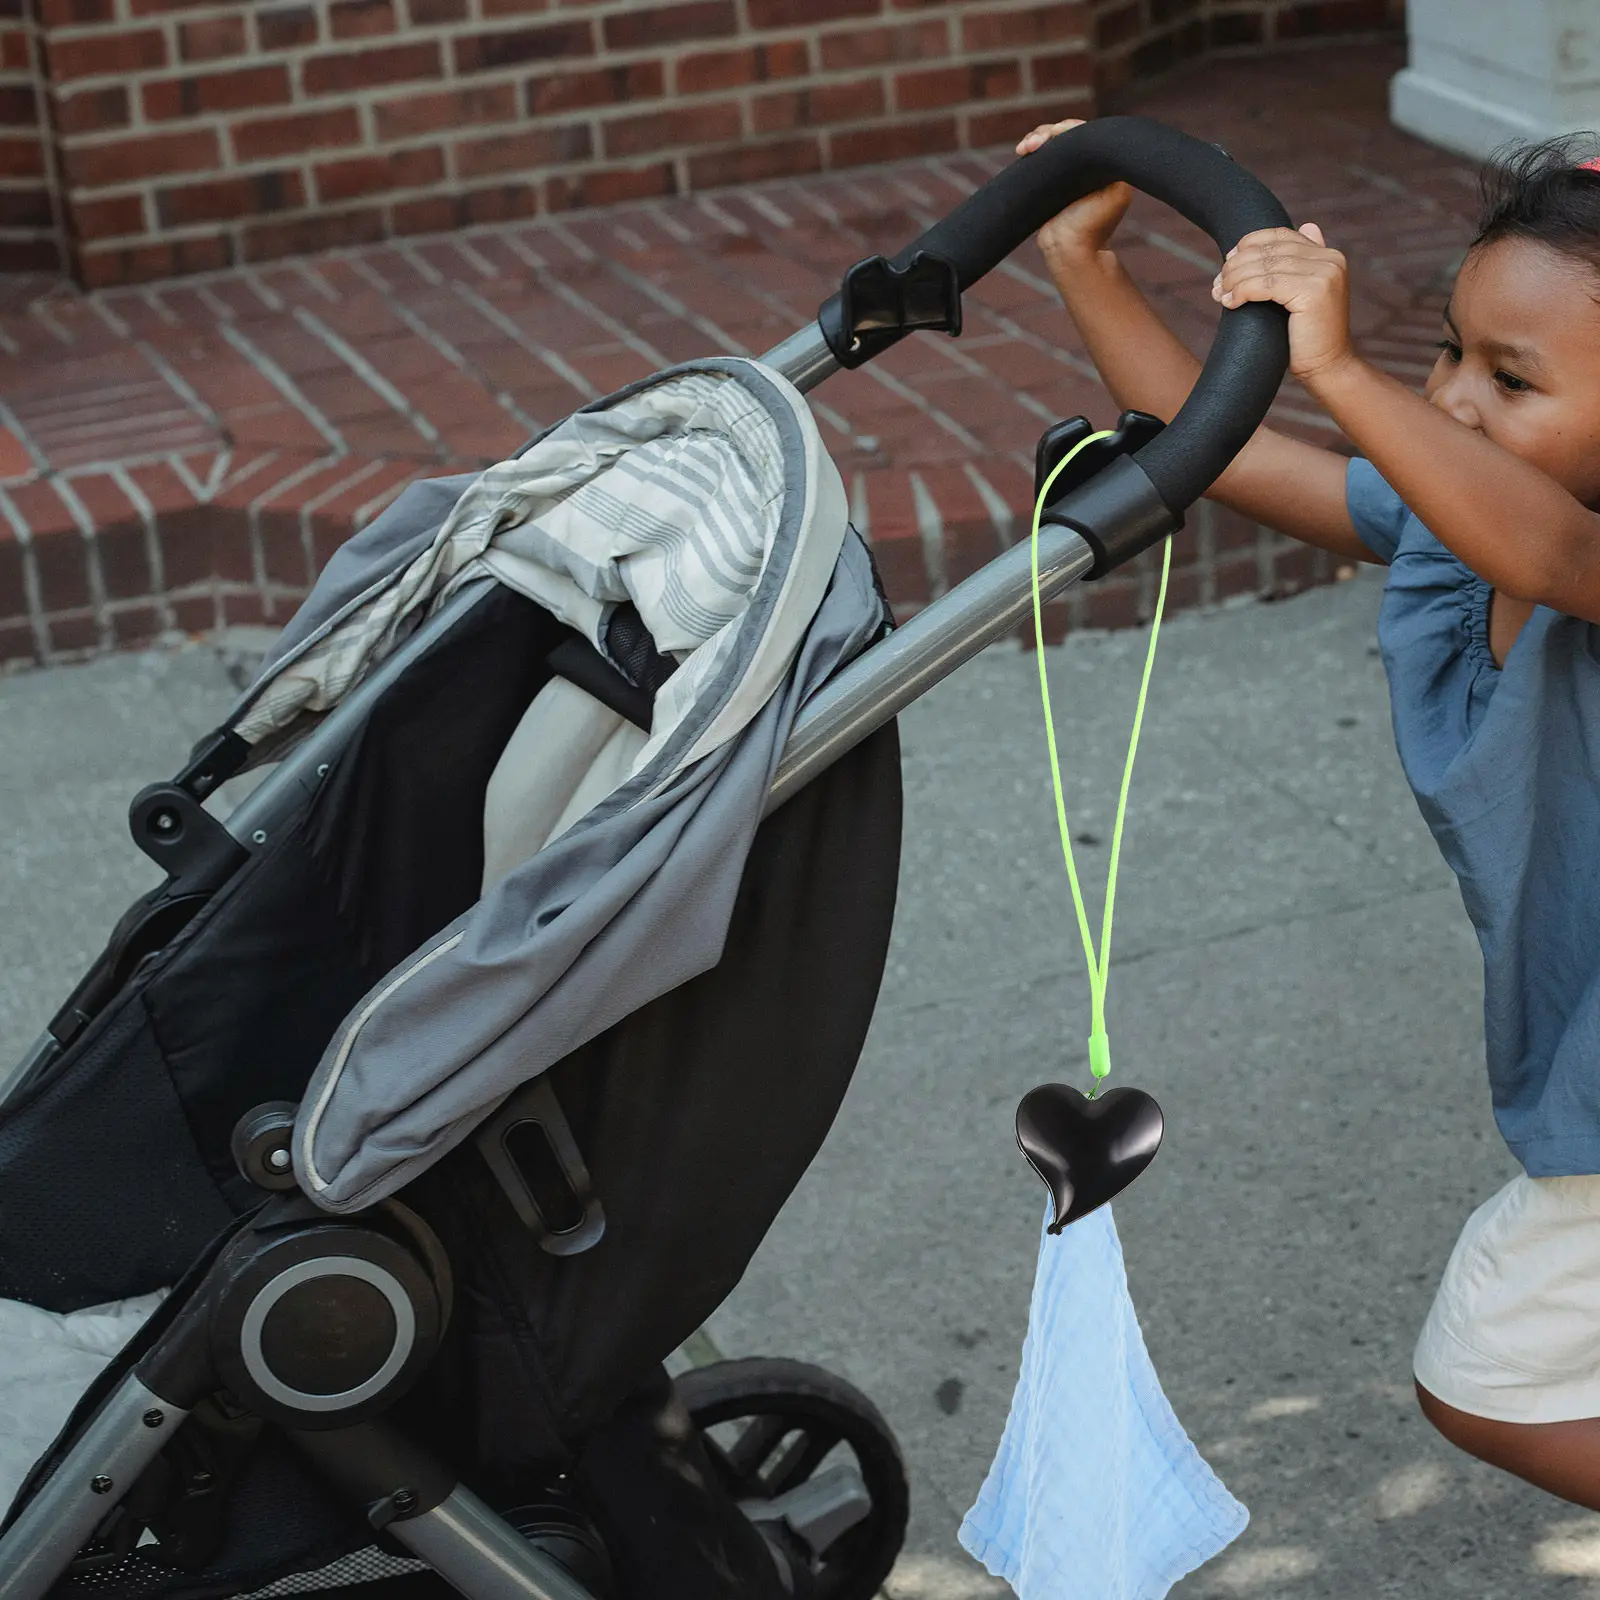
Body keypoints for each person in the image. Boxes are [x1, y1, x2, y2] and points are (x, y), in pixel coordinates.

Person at [1016, 116, 1600, 1509]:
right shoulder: (1445, 532)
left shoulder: (1558, 548)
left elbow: (1556, 549)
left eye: (1512, 379)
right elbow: (1216, 443)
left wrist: (1339, 365)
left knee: (1489, 1375)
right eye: (1449, 353)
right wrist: (1084, 257)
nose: (1455, 399)